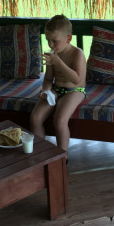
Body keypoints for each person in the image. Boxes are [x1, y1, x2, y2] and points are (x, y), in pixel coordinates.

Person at [30, 14, 86, 154]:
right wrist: (46, 90)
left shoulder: (77, 54)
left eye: (54, 41)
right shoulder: (53, 54)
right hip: (56, 89)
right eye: (48, 40)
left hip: (75, 91)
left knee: (60, 120)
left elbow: (77, 80)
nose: (50, 45)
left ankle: (62, 157)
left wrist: (58, 62)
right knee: (35, 118)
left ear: (68, 38)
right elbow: (49, 79)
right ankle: (39, 154)